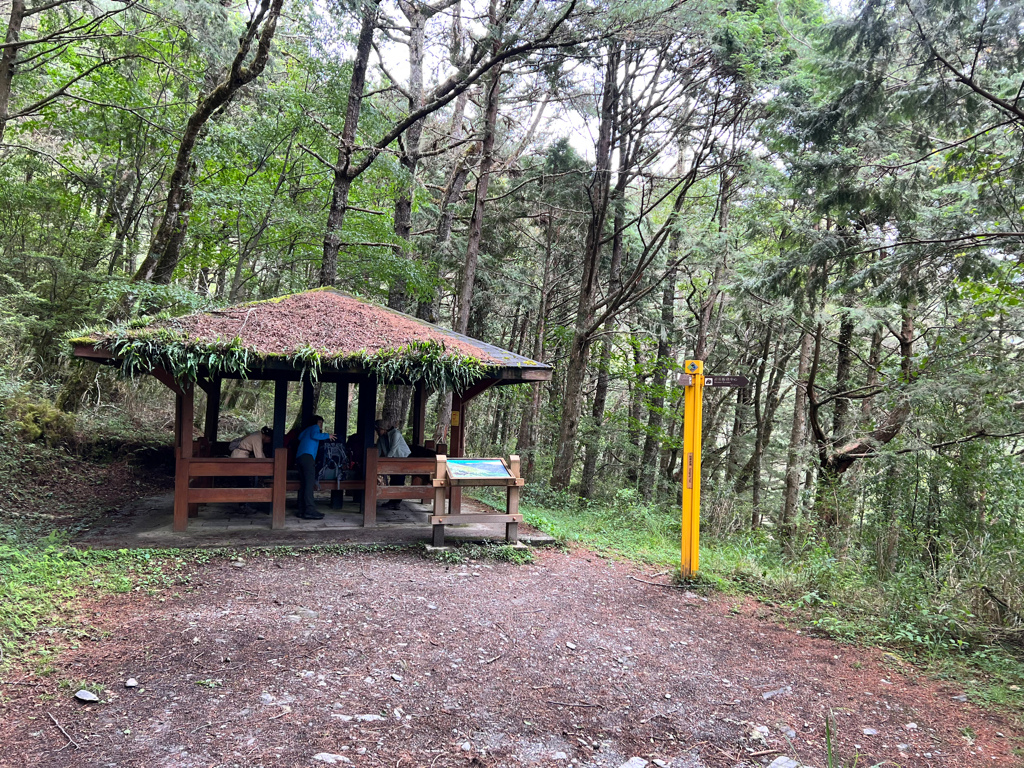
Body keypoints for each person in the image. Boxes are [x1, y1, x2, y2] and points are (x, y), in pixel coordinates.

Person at [295, 415, 335, 520]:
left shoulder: (306, 430)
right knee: (309, 483)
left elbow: (300, 437)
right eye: (319, 423)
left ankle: (301, 509)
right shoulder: (314, 428)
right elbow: (315, 435)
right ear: (315, 423)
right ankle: (310, 510)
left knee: (303, 484)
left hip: (299, 457)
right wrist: (328, 435)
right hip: (308, 457)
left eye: (322, 423)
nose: (321, 425)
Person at [229, 427, 273, 513]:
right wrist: (268, 466)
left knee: (244, 482)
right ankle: (243, 506)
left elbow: (260, 453)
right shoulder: (257, 438)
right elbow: (259, 455)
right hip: (239, 458)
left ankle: (243, 505)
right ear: (267, 436)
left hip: (239, 457)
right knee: (243, 482)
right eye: (269, 439)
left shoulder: (256, 435)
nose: (269, 441)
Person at [375, 419, 410, 510]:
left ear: (383, 428)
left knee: (399, 480)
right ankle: (392, 501)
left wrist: (386, 461)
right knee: (393, 480)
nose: (377, 432)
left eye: (378, 429)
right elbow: (378, 450)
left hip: (402, 459)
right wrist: (375, 460)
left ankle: (397, 502)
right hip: (392, 460)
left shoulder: (395, 434)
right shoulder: (381, 438)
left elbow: (393, 449)